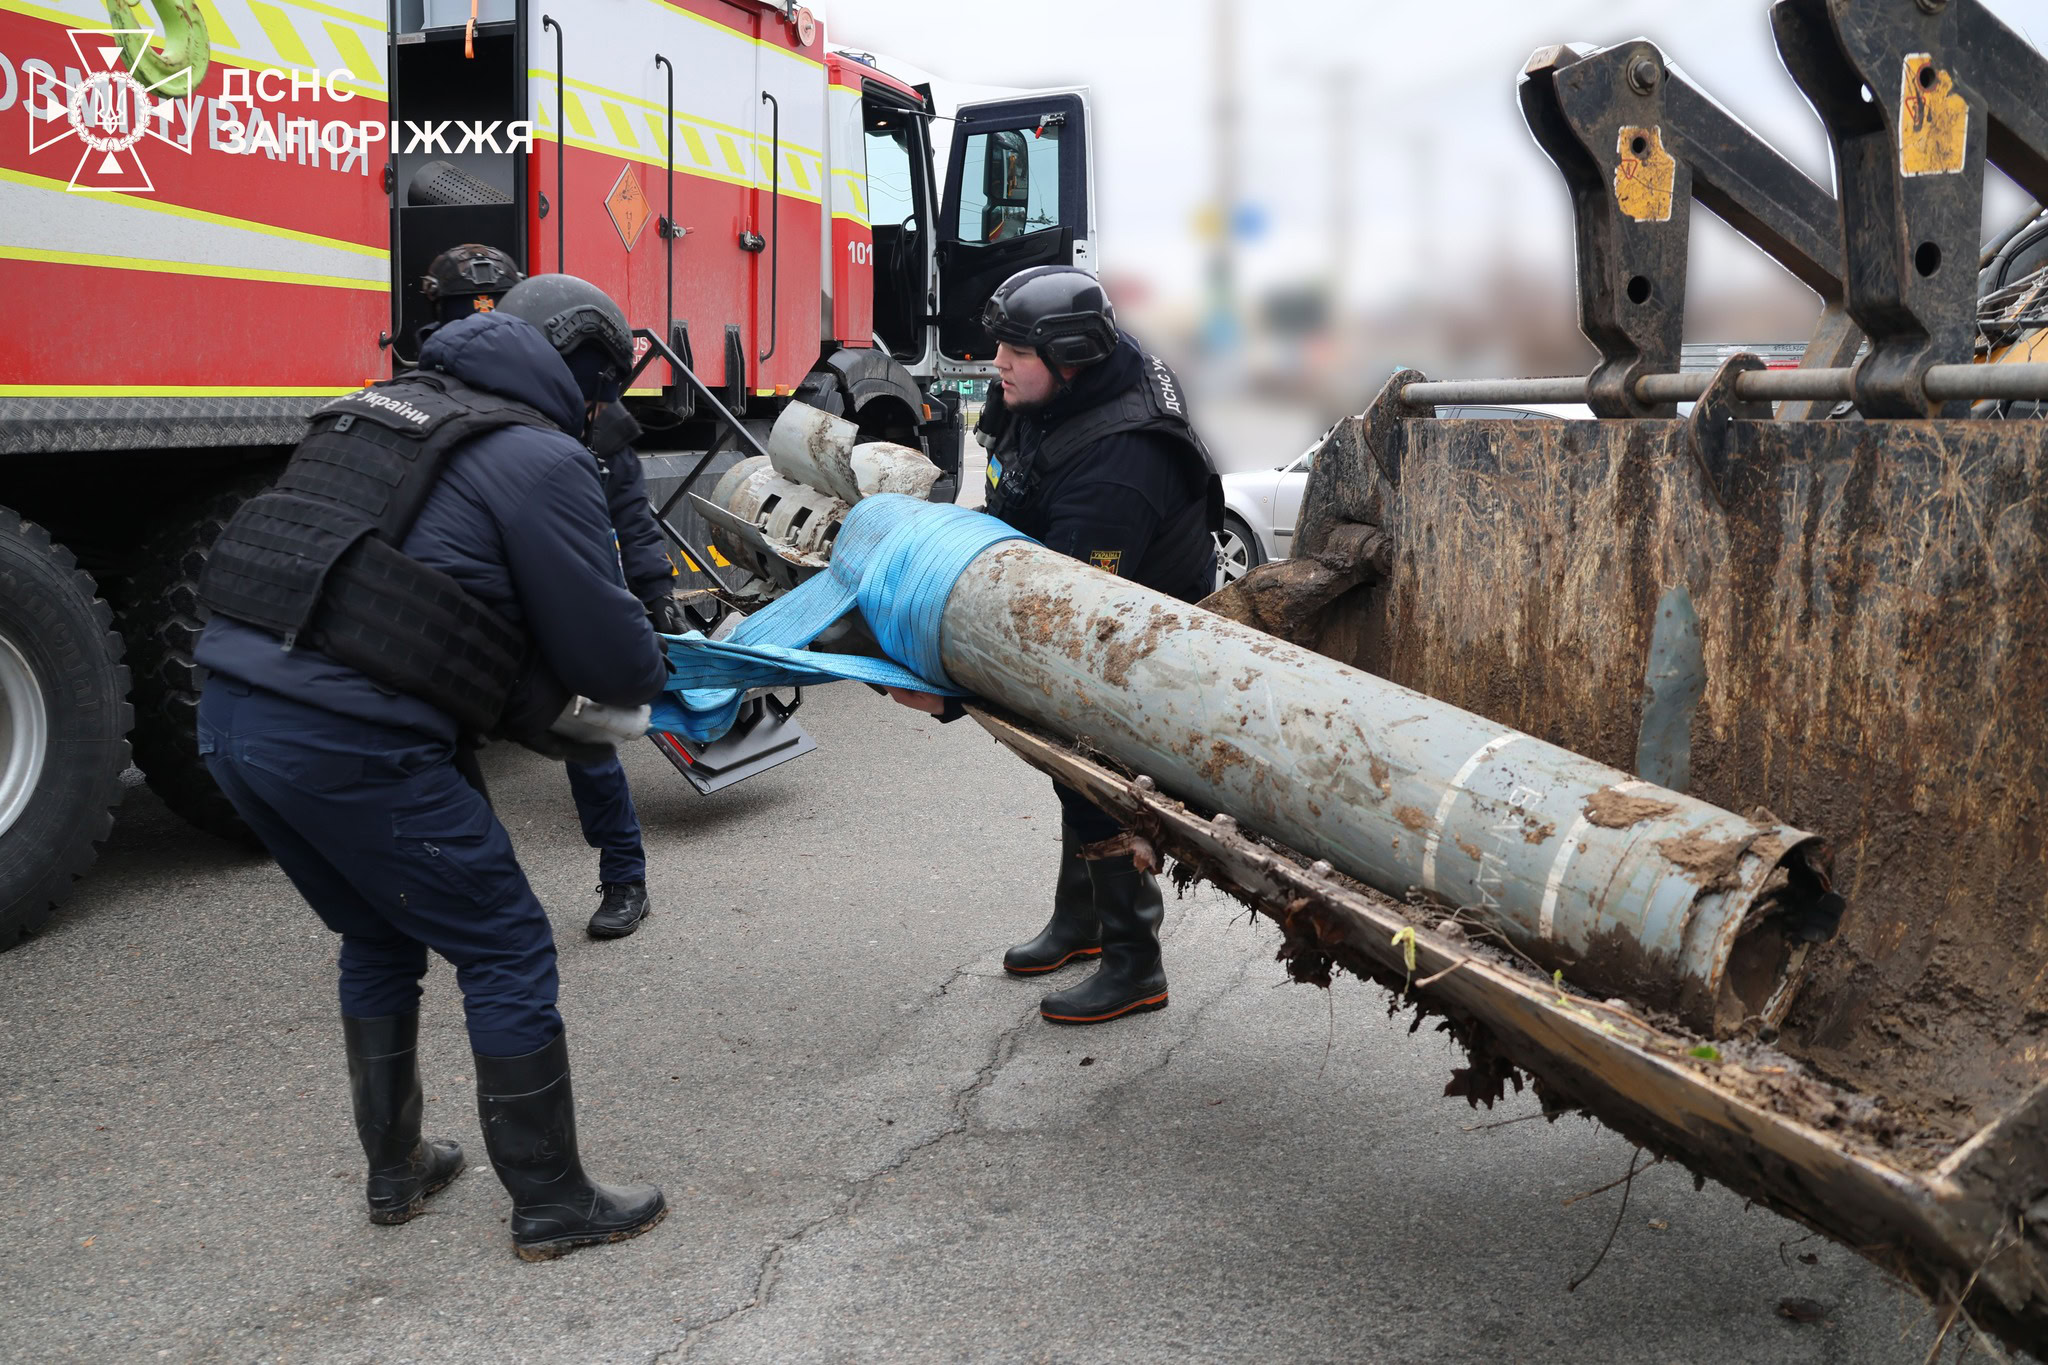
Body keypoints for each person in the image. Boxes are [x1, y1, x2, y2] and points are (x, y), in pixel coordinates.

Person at [192, 273, 672, 1259]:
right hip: (350, 738)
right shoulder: (539, 456)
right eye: (601, 396)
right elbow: (612, 660)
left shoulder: (378, 412)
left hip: (232, 718)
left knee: (378, 932)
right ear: (580, 380)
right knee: (504, 947)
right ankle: (550, 1202)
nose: (601, 418)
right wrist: (657, 658)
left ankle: (397, 1169)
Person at [971, 264, 1221, 1025]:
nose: (997, 365)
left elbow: (1067, 616)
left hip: (1143, 630)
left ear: (1071, 358)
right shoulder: (1052, 386)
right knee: (1066, 769)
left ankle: (1134, 962)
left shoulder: (1119, 462)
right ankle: (1079, 923)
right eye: (1000, 348)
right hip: (1086, 581)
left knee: (1099, 779)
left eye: (1015, 352)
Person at [422, 245, 680, 939]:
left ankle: (625, 874)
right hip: (481, 602)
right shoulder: (452, 408)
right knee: (441, 744)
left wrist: (655, 598)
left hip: (562, 594)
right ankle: (467, 890)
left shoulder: (599, 421)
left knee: (588, 735)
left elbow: (631, 515)